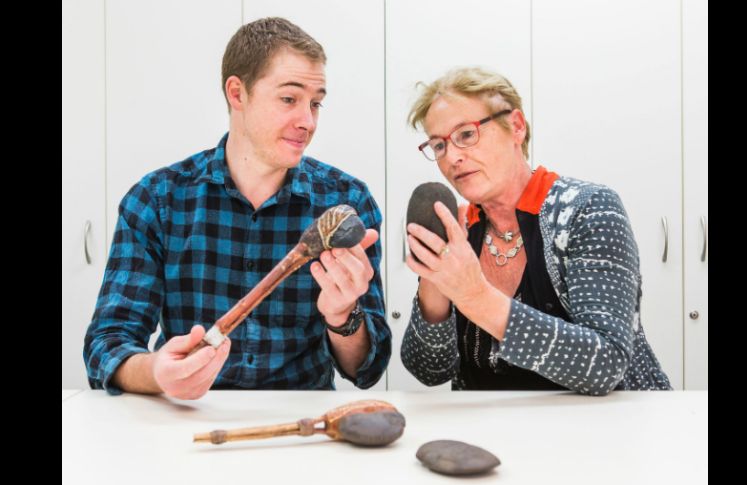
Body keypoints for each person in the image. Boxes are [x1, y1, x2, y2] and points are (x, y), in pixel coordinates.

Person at [84, 17, 391, 399]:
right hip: (186, 418)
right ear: (237, 93)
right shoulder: (156, 200)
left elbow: (366, 369)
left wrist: (343, 316)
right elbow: (107, 345)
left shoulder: (347, 203)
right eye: (289, 99)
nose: (308, 121)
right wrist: (158, 373)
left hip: (301, 423)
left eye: (316, 104)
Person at [400, 67, 670, 395]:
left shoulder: (589, 209)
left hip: (608, 428)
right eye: (438, 146)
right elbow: (427, 370)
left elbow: (606, 365)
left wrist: (475, 297)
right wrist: (434, 279)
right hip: (492, 431)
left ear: (516, 127)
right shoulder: (461, 231)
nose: (452, 157)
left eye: (466, 135)